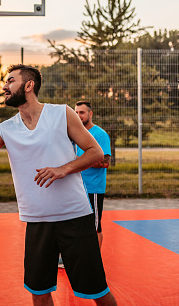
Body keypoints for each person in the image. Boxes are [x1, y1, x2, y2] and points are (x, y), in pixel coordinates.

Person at [0, 65, 116, 306]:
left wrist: (63, 169)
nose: (4, 86)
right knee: (39, 293)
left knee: (97, 292)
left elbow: (96, 153)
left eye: (10, 81)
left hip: (75, 217)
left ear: (29, 86)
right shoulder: (6, 129)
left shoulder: (61, 114)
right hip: (37, 222)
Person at [74, 101, 111, 249]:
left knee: (94, 226)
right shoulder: (75, 134)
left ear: (90, 114)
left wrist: (81, 162)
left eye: (81, 112)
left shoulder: (100, 135)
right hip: (76, 187)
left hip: (93, 188)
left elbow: (106, 162)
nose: (78, 116)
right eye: (75, 113)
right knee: (75, 224)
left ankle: (94, 262)